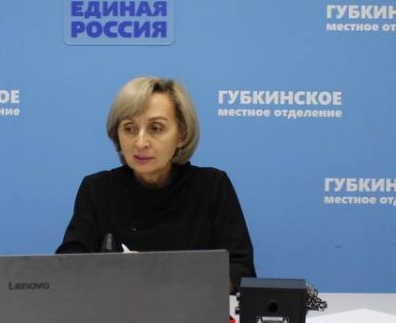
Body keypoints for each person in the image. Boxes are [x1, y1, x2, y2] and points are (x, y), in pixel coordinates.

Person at [57, 76, 256, 290]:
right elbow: (66, 268)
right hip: (117, 308)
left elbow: (240, 271)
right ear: (117, 134)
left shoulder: (212, 186)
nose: (140, 142)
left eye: (156, 128)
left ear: (181, 135)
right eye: (129, 128)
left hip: (190, 308)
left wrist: (160, 276)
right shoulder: (97, 190)